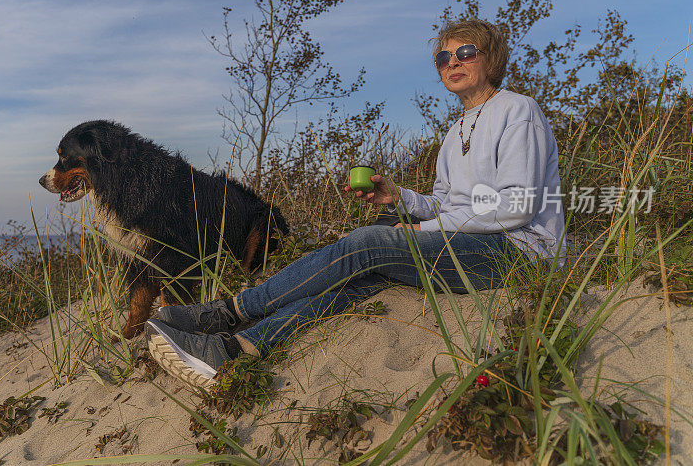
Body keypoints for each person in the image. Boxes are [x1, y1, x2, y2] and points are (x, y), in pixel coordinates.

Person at [144, 19, 567, 391]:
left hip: (521, 253)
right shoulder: (455, 130)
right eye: (443, 58)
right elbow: (447, 204)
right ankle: (233, 348)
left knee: (367, 243)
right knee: (355, 279)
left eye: (465, 53)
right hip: (470, 247)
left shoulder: (517, 110)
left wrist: (420, 231)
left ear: (489, 60)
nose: (452, 63)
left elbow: (517, 206)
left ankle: (228, 312)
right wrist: (399, 198)